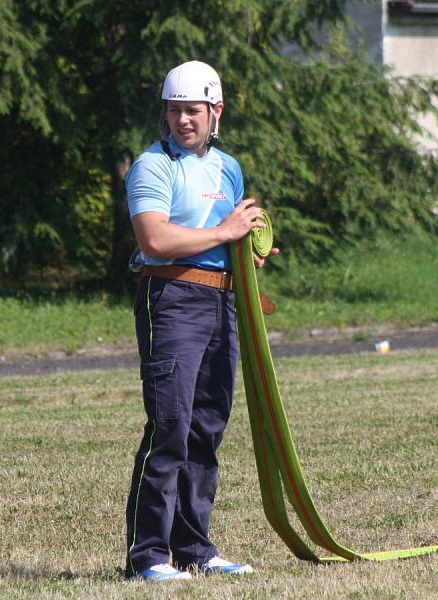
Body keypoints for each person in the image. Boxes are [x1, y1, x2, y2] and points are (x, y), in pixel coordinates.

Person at [124, 60, 278, 582]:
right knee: (170, 425)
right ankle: (148, 556)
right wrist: (225, 233)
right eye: (174, 110)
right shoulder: (152, 166)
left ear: (217, 111)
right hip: (171, 298)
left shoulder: (228, 168)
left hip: (222, 301)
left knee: (207, 426)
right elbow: (156, 240)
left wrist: (249, 252)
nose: (183, 120)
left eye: (193, 110)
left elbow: (227, 236)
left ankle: (194, 549)